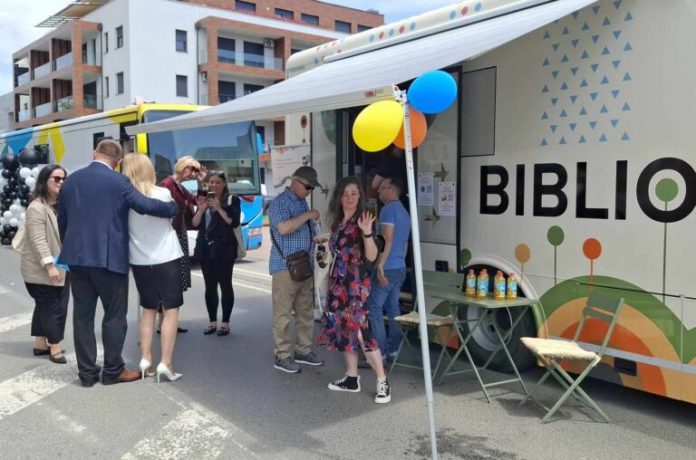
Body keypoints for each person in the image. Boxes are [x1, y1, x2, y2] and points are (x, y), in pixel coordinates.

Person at [57, 139, 177, 387]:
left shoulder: (71, 180)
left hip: (78, 259)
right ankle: (113, 371)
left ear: (95, 153)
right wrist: (172, 208)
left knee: (82, 316)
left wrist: (71, 248)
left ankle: (87, 374)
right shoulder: (119, 181)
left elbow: (63, 220)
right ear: (119, 161)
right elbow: (144, 205)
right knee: (114, 315)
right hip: (109, 260)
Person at [317, 177, 391, 404]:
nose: (349, 197)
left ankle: (382, 382)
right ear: (339, 197)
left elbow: (371, 256)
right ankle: (351, 378)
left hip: (355, 285)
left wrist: (367, 233)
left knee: (361, 331)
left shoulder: (363, 220)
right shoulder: (338, 222)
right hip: (338, 283)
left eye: (354, 193)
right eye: (345, 193)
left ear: (360, 197)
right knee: (344, 329)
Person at [122, 154, 184, 382]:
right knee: (170, 310)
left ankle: (145, 359)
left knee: (147, 309)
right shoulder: (162, 193)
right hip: (167, 256)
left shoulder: (125, 198)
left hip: (139, 259)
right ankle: (166, 363)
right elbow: (170, 219)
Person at [268, 166, 325, 373]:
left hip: (304, 265)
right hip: (285, 267)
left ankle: (303, 350)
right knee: (282, 314)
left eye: (312, 189)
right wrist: (308, 215)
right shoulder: (279, 203)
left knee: (305, 312)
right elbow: (283, 228)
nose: (310, 192)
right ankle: (282, 355)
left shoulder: (302, 202)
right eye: (308, 187)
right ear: (295, 182)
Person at [19, 165, 70, 364]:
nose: (61, 182)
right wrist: (50, 266)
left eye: (64, 178)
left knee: (44, 306)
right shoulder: (37, 207)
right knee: (54, 308)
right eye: (56, 178)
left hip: (61, 264)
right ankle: (55, 347)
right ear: (44, 181)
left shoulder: (58, 205)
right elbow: (37, 240)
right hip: (42, 269)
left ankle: (40, 344)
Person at [158, 156, 207, 334]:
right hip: (169, 237)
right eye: (191, 169)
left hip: (179, 235)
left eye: (195, 171)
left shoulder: (179, 186)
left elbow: (198, 201)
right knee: (168, 282)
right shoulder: (167, 184)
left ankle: (170, 321)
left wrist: (202, 183)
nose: (193, 174)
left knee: (176, 283)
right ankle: (163, 323)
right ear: (182, 167)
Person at [366, 176, 411, 362]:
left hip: (388, 267)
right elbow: (405, 243)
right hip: (399, 266)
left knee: (374, 307)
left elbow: (387, 239)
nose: (378, 191)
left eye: (382, 188)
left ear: (391, 190)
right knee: (393, 309)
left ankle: (380, 352)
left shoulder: (388, 210)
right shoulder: (405, 212)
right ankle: (393, 350)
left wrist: (380, 265)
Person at [192, 170, 240, 337]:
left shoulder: (232, 199)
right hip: (205, 248)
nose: (214, 185)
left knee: (225, 285)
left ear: (224, 184)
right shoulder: (204, 199)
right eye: (211, 182)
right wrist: (201, 210)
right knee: (210, 286)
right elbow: (195, 223)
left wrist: (219, 208)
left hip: (224, 249)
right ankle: (212, 322)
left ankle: (225, 323)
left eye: (218, 182)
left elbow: (233, 222)